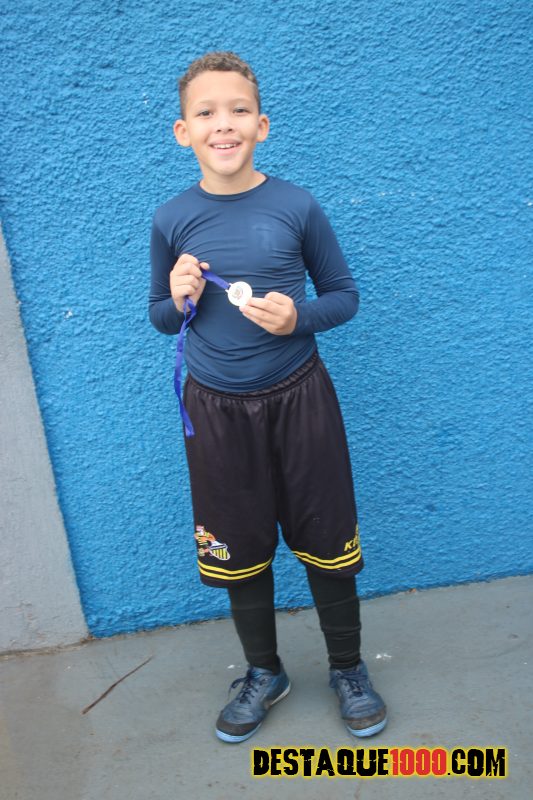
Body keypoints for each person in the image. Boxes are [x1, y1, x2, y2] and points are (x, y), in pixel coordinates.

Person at [149, 51, 387, 744]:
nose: (223, 124)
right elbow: (160, 318)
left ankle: (347, 668)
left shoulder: (295, 205)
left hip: (300, 399)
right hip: (215, 409)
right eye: (206, 113)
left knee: (326, 534)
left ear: (262, 125)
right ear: (183, 132)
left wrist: (298, 319)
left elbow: (343, 295)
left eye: (238, 110)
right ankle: (264, 671)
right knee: (239, 543)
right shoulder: (171, 219)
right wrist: (177, 296)